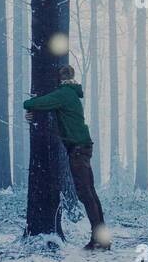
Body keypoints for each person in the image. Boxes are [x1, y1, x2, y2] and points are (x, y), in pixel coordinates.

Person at [23, 64, 109, 250]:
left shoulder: (64, 94)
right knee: (90, 193)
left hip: (78, 150)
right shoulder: (71, 93)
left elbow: (37, 103)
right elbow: (47, 105)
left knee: (86, 194)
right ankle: (101, 238)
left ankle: (100, 240)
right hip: (83, 147)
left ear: (60, 79)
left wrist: (29, 106)